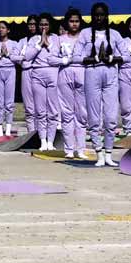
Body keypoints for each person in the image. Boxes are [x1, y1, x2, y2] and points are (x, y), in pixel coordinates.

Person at [76, 3, 123, 167]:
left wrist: (111, 58)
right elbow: (76, 57)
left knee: (110, 117)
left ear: (107, 16)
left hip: (110, 72)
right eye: (96, 14)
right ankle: (98, 152)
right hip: (92, 71)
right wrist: (94, 58)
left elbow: (127, 56)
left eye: (102, 14)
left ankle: (109, 152)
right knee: (94, 116)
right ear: (91, 16)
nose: (99, 18)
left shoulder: (115, 34)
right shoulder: (85, 33)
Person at [23, 13, 62, 152]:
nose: (43, 27)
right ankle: (43, 140)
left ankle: (51, 141)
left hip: (52, 73)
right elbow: (27, 56)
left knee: (52, 110)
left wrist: (48, 44)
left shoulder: (56, 38)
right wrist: (40, 44)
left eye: (46, 24)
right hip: (37, 75)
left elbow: (57, 54)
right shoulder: (33, 39)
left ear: (50, 25)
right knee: (40, 111)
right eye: (41, 25)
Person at [55, 9, 88, 159]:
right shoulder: (59, 39)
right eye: (71, 21)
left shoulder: (86, 37)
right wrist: (64, 60)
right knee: (67, 113)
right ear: (67, 23)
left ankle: (80, 149)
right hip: (65, 74)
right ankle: (69, 149)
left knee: (82, 114)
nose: (74, 24)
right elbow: (50, 58)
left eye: (76, 21)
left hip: (83, 74)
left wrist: (78, 60)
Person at [0, 21, 18, 137]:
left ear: (8, 30)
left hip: (10, 70)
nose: (1, 30)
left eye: (3, 28)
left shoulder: (14, 43)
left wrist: (7, 54)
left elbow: (17, 59)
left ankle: (8, 128)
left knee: (9, 101)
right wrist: (0, 55)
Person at [17, 15, 39, 133]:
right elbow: (13, 56)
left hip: (38, 71)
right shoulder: (22, 41)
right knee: (28, 104)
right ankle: (31, 132)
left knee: (40, 103)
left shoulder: (40, 39)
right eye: (30, 24)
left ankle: (41, 132)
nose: (32, 27)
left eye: (34, 24)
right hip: (26, 72)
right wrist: (24, 59)